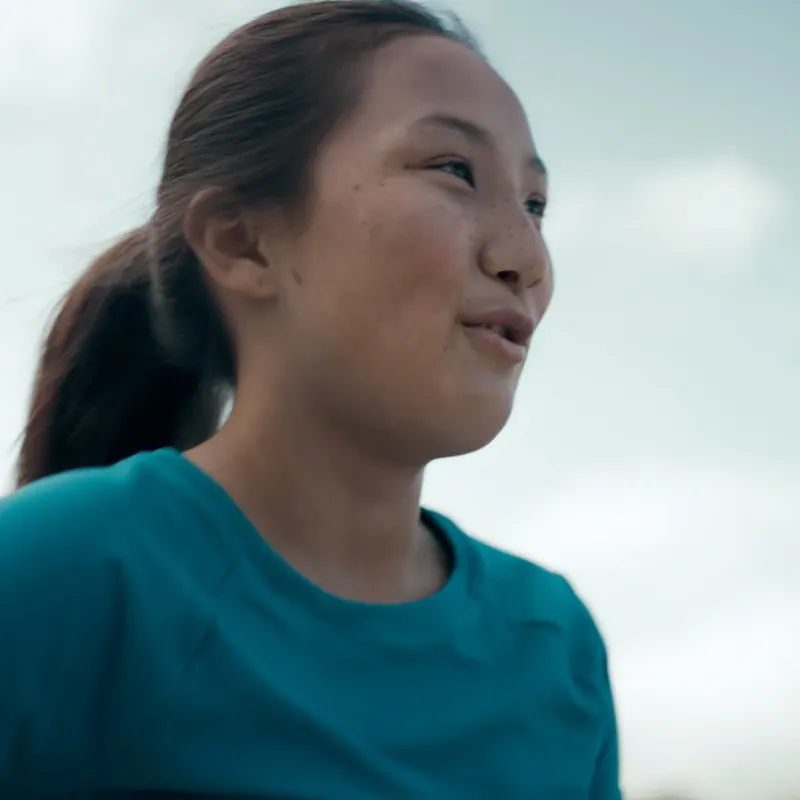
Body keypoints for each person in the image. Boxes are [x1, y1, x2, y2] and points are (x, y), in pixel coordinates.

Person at [0, 1, 621, 797]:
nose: (524, 258)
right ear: (241, 241)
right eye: (454, 171)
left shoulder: (554, 644)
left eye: (534, 205)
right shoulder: (54, 575)